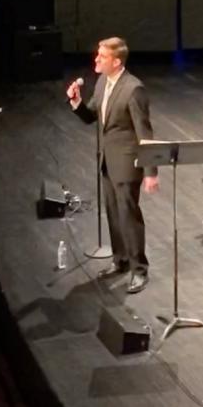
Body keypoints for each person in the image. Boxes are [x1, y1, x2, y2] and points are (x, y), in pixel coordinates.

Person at [67, 36, 157, 294]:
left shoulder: (133, 89)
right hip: (107, 160)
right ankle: (121, 261)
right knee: (113, 213)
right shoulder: (103, 81)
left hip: (127, 162)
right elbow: (92, 116)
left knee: (128, 216)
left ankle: (139, 269)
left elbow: (144, 132)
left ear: (116, 62)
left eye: (102, 56)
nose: (96, 59)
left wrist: (151, 171)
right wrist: (76, 103)